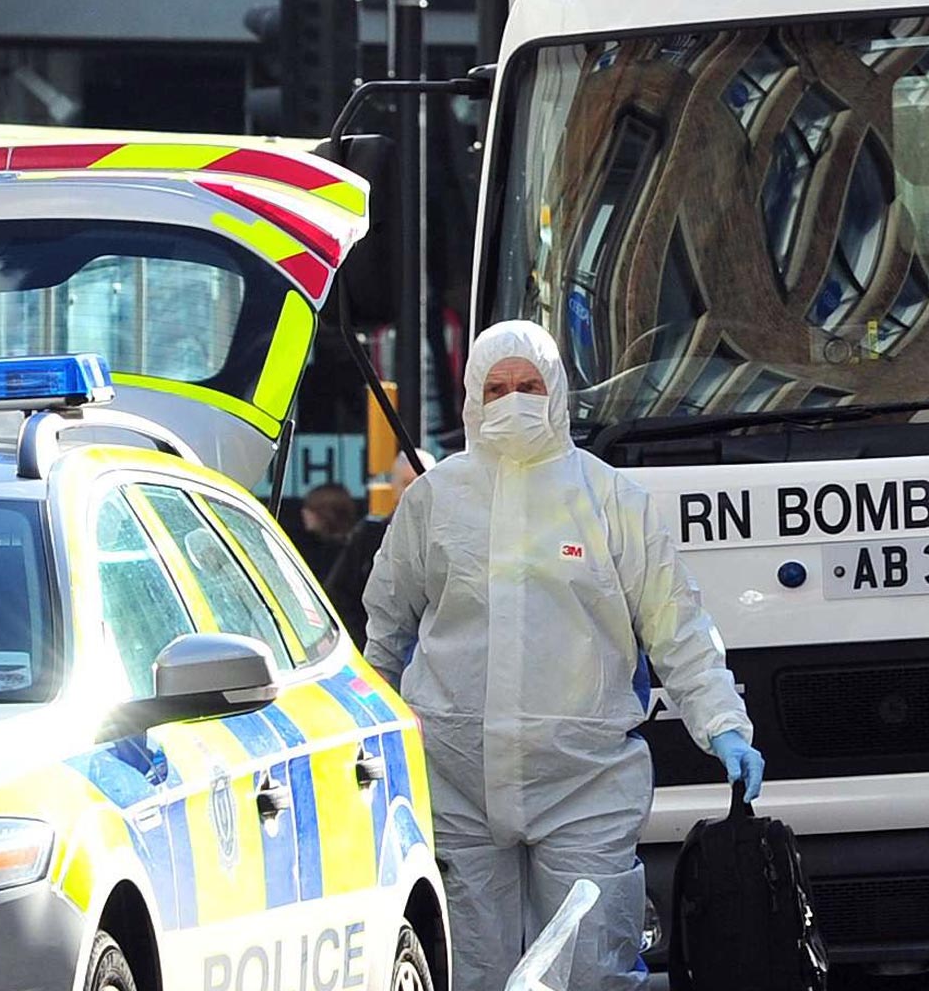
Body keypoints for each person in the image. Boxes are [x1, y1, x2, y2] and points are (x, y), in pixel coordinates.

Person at [362, 321, 763, 991]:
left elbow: (677, 627)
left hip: (586, 781)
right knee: (471, 973)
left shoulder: (611, 501)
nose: (512, 400)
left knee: (589, 970)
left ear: (556, 393)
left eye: (528, 385)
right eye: (496, 388)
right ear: (471, 395)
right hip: (456, 779)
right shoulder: (434, 500)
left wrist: (723, 724)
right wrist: (372, 744)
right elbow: (386, 632)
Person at [324, 446, 432, 646]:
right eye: (407, 483)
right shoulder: (368, 536)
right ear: (394, 487)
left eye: (422, 483)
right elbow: (338, 597)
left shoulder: (445, 539)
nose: (414, 492)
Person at [293, 481, 358, 581]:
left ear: (326, 513)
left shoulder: (340, 554)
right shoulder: (312, 546)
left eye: (311, 508)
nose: (304, 512)